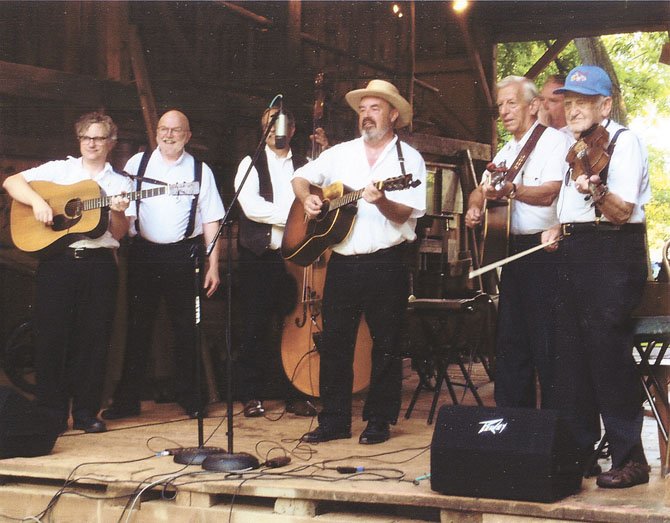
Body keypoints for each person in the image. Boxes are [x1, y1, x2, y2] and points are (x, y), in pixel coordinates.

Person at [292, 79, 426, 444]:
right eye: (363, 110)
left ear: (393, 114)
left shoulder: (408, 160)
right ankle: (334, 420)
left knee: (386, 344)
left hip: (386, 263)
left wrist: (381, 201)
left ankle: (379, 420)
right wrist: (308, 199)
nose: (366, 116)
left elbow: (403, 215)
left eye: (375, 109)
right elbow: (301, 177)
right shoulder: (341, 153)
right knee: (335, 343)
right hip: (344, 262)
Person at [542, 65, 652, 488]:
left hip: (611, 251)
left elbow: (622, 213)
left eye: (583, 102)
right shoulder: (576, 148)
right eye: (567, 103)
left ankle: (631, 459)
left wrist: (597, 191)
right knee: (571, 358)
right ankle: (581, 453)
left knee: (608, 355)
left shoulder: (625, 142)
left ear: (605, 104)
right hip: (576, 248)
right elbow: (571, 208)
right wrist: (558, 225)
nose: (572, 110)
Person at [2, 112, 132, 433]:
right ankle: (51, 413)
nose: (92, 143)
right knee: (51, 338)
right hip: (58, 263)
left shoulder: (120, 183)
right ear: (79, 139)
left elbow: (118, 233)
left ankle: (87, 413)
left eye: (99, 138)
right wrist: (37, 203)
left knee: (93, 340)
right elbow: (11, 182)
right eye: (87, 137)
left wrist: (117, 212)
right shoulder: (61, 169)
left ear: (110, 143)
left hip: (99, 265)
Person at [102, 109, 225, 420]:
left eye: (176, 130)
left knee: (186, 329)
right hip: (143, 255)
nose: (169, 135)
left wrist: (214, 266)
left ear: (188, 135)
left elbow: (211, 220)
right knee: (137, 329)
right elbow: (122, 213)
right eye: (163, 129)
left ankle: (192, 398)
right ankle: (127, 401)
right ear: (155, 133)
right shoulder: (137, 164)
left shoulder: (201, 170)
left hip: (184, 257)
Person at [465, 76, 570, 410]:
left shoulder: (554, 142)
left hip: (546, 254)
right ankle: (513, 428)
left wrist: (513, 191)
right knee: (512, 344)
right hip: (511, 255)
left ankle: (556, 435)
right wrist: (475, 206)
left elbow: (553, 191)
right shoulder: (505, 151)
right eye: (500, 106)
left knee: (549, 346)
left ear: (533, 105)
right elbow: (480, 189)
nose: (504, 112)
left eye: (512, 103)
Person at [234, 106, 322, 418]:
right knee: (254, 326)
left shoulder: (306, 165)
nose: (275, 133)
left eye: (281, 127)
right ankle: (251, 394)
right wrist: (295, 216)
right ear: (264, 131)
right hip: (260, 257)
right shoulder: (250, 162)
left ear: (293, 131)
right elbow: (252, 207)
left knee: (291, 327)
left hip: (295, 258)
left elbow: (321, 195)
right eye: (269, 127)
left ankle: (294, 394)